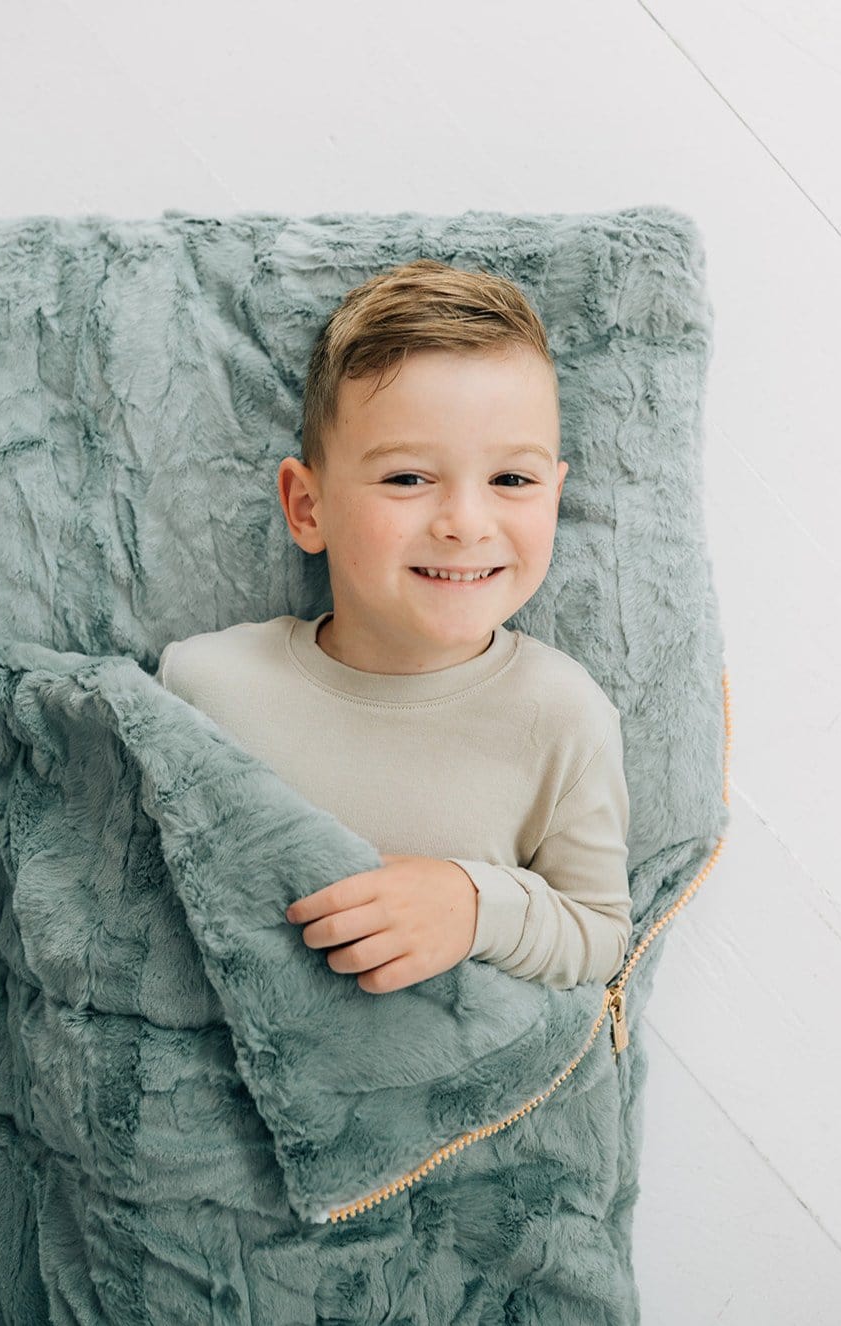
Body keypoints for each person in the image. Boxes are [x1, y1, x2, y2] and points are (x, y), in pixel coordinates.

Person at [156, 258, 632, 995]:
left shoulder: (564, 717)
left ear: (555, 495)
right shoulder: (203, 689)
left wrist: (473, 905)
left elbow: (599, 933)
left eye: (511, 479)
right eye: (408, 478)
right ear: (308, 507)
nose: (465, 524)